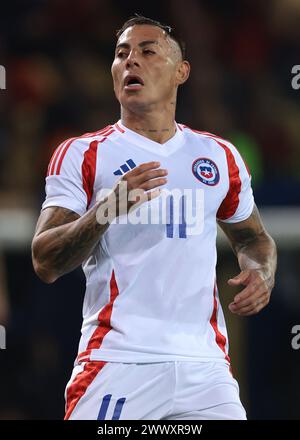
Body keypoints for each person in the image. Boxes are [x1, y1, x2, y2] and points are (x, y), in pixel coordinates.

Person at [32, 15, 277, 420]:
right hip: (116, 363)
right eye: (121, 54)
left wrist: (261, 273)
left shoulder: (219, 156)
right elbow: (45, 261)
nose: (131, 62)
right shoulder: (82, 153)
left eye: (148, 52)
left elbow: (253, 239)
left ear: (182, 72)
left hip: (206, 369)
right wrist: (106, 210)